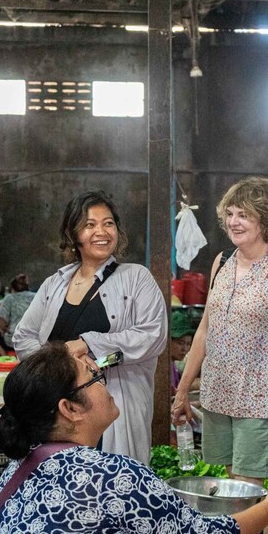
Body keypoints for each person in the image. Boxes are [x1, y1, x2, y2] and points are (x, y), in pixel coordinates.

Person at [0, 343, 268, 534]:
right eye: (94, 375)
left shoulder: (13, 473)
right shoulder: (112, 476)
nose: (104, 379)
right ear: (70, 409)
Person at [12, 190, 166, 465]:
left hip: (112, 408)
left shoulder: (136, 278)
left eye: (108, 223)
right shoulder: (54, 283)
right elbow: (23, 336)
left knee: (112, 486)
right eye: (90, 224)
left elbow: (152, 335)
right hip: (61, 412)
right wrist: (57, 369)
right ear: (73, 234)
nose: (101, 231)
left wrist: (88, 344)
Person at [173, 177, 268, 483]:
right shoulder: (222, 261)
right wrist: (182, 392)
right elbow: (205, 330)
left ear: (265, 218)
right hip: (218, 395)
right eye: (230, 213)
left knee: (250, 495)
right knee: (232, 489)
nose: (233, 222)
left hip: (258, 398)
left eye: (244, 215)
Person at [0, 274, 36, 350]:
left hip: (15, 339)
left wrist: (3, 331)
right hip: (35, 338)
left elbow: (1, 320)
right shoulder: (36, 296)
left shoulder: (9, 298)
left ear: (12, 288)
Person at [169, 310, 196, 394]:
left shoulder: (172, 365)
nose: (185, 349)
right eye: (180, 343)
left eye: (188, 344)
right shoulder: (164, 368)